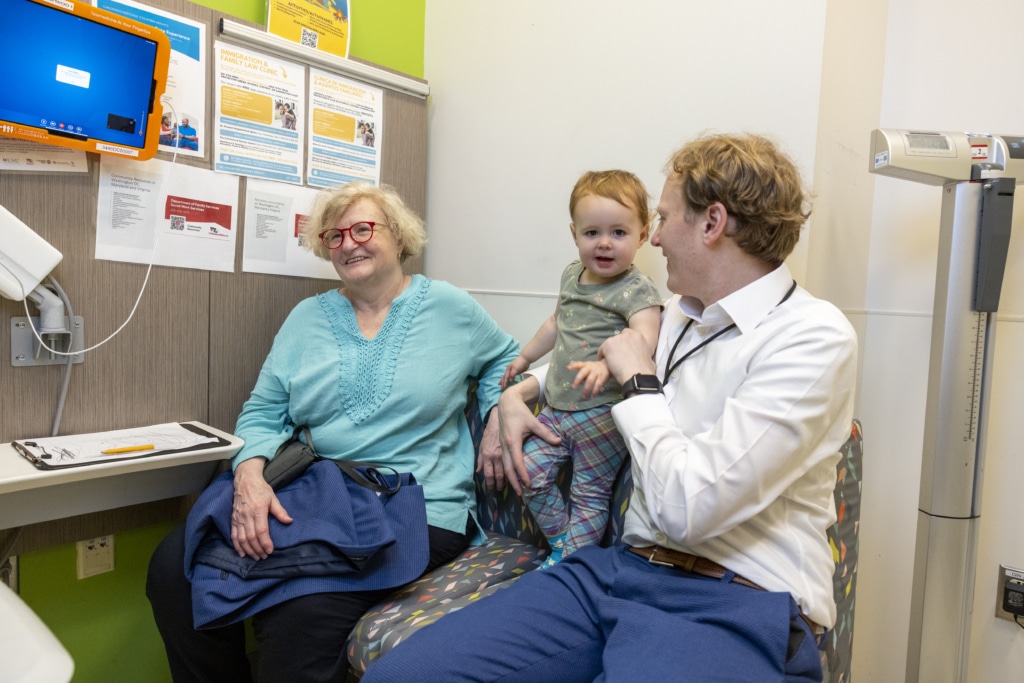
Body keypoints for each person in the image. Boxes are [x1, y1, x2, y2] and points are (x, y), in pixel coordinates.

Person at [362, 133, 858, 682]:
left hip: (736, 598)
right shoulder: (676, 315)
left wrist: (641, 383)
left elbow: (690, 510)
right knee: (402, 674)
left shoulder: (811, 336)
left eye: (666, 218)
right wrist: (516, 394)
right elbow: (587, 362)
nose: (658, 236)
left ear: (712, 223)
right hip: (620, 569)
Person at [146, 182, 520, 682]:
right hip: (320, 494)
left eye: (363, 228)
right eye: (335, 235)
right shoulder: (307, 318)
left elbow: (507, 360)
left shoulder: (450, 308)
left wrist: (502, 409)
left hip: (417, 506)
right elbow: (263, 411)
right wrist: (250, 479)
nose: (348, 243)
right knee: (175, 568)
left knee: (302, 615)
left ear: (399, 236)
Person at [499, 169, 660, 568]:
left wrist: (608, 365)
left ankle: (570, 565)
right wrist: (524, 358)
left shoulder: (639, 289)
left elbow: (645, 339)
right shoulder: (572, 274)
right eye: (592, 233)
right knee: (526, 471)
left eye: (619, 233)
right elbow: (556, 323)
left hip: (602, 415)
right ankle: (561, 541)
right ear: (574, 234)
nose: (604, 243)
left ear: (642, 235)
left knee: (589, 495)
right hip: (555, 409)